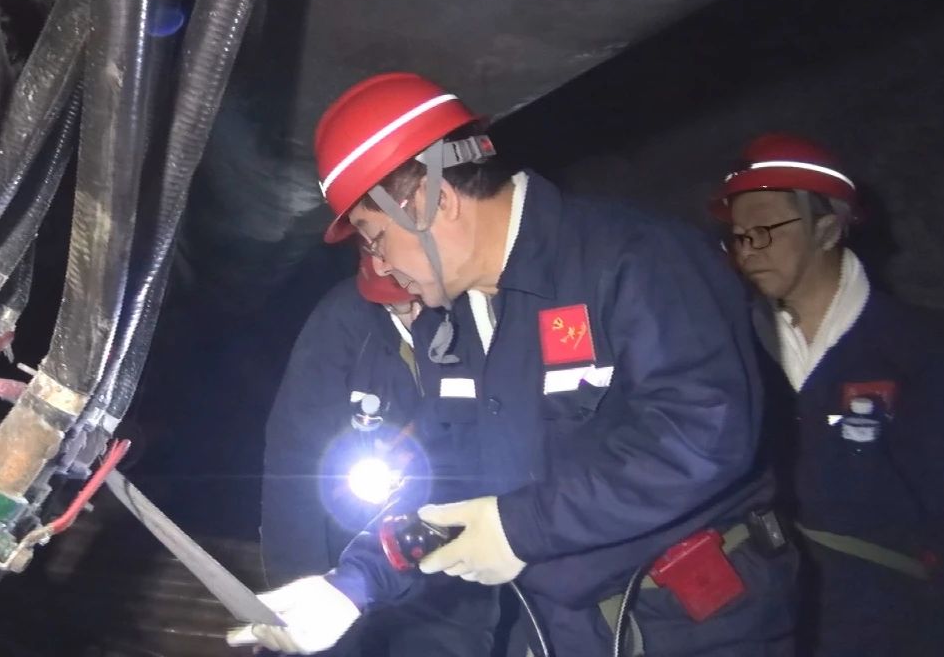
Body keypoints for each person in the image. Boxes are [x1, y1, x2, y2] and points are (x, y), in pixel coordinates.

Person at [229, 72, 797, 657]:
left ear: (431, 202)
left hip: (699, 628)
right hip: (564, 633)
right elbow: (444, 471)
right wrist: (355, 582)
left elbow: (702, 431)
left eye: (374, 238)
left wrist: (519, 526)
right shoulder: (450, 326)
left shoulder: (634, 259)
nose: (378, 265)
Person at [711, 133, 944, 656]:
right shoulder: (728, 348)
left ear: (827, 228)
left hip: (902, 628)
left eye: (764, 230)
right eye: (737, 236)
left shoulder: (920, 347)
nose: (748, 249)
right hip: (772, 627)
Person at [260, 254, 499, 656]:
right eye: (399, 306)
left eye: (421, 302)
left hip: (453, 558)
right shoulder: (342, 322)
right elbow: (294, 459)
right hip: (346, 548)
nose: (416, 317)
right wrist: (297, 587)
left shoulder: (483, 317)